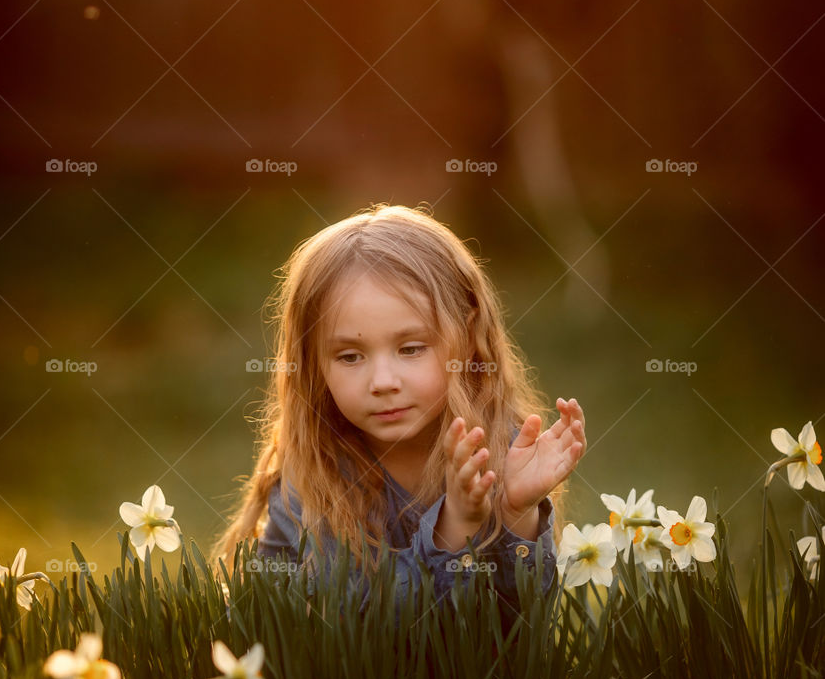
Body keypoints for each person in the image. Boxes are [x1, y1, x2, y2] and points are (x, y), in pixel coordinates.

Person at [211, 203, 586, 624]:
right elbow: (364, 629)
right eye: (350, 356)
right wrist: (453, 529)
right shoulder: (316, 475)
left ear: (466, 340)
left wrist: (519, 512)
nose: (383, 381)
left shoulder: (500, 453)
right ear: (313, 363)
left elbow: (518, 628)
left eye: (410, 349)